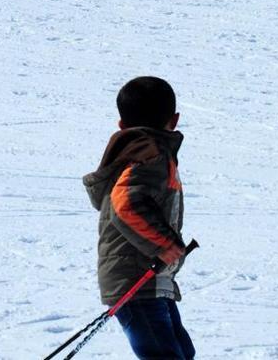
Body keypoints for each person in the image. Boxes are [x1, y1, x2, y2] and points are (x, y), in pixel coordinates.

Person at [83, 76, 196, 359]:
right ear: (175, 119)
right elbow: (126, 204)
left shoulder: (141, 153)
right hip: (136, 280)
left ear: (121, 124)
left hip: (150, 279)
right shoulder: (151, 155)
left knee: (181, 351)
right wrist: (164, 245)